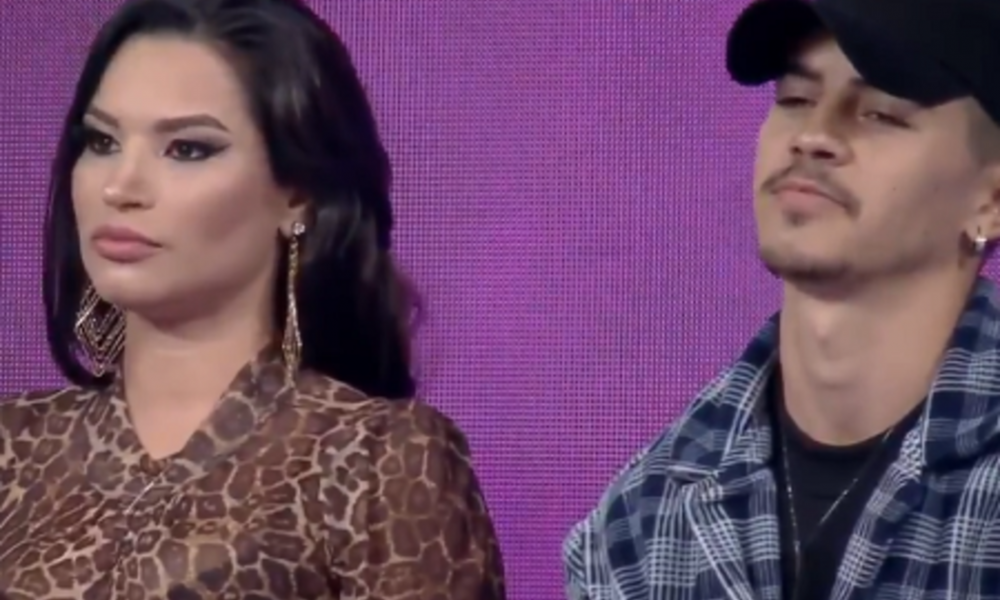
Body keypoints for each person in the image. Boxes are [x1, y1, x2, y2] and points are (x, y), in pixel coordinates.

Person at [0, 0, 507, 597]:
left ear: (298, 193)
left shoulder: (378, 458)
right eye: (102, 141)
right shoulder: (12, 445)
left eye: (188, 149)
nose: (120, 186)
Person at [563, 0, 1000, 597]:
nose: (814, 136)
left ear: (991, 200)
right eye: (795, 99)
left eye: (880, 113)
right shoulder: (639, 521)